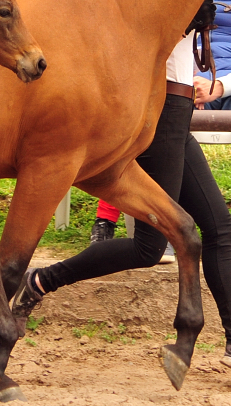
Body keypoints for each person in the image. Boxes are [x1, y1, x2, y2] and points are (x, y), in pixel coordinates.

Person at [13, 30, 231, 369]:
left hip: (177, 105)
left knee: (219, 227)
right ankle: (41, 281)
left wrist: (217, 86)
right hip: (162, 105)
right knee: (150, 248)